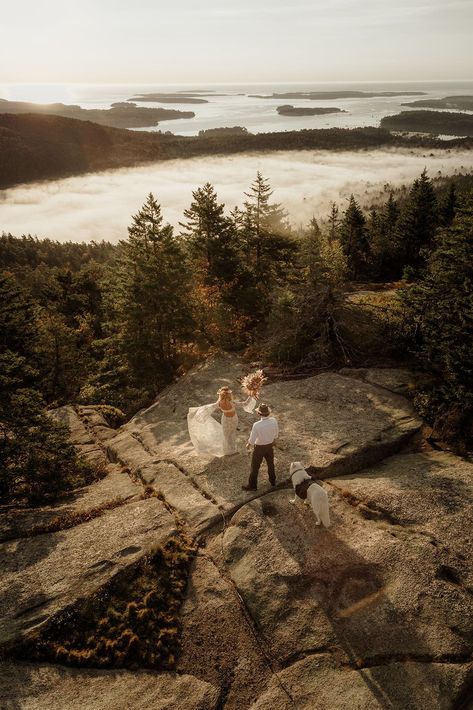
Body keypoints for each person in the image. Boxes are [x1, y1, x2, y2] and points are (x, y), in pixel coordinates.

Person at [187, 386, 255, 457]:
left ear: (220, 394)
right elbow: (245, 404)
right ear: (229, 394)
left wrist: (198, 413)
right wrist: (251, 395)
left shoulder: (219, 403)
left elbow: (209, 408)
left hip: (225, 419)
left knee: (226, 435)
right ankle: (232, 450)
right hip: (233, 419)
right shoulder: (232, 403)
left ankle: (228, 451)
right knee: (232, 433)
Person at [242, 403, 279, 491]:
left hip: (259, 448)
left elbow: (252, 438)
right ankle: (273, 481)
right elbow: (276, 432)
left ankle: (252, 486)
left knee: (255, 467)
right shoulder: (274, 420)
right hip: (269, 446)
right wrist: (274, 440)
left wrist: (248, 444)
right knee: (270, 464)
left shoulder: (256, 425)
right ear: (268, 413)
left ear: (259, 413)